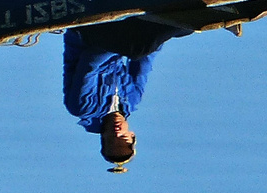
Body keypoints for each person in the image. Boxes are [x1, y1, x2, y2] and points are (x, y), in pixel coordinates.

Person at [62, 17, 192, 171]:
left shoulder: (83, 108)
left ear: (103, 138)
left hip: (87, 35)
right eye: (123, 138)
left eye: (112, 140)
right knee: (185, 29)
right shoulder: (132, 100)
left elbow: (90, 62)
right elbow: (144, 64)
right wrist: (154, 41)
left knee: (138, 48)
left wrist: (127, 48)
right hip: (119, 38)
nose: (117, 133)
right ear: (132, 135)